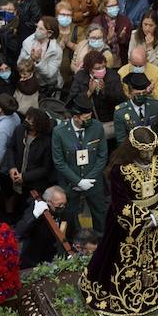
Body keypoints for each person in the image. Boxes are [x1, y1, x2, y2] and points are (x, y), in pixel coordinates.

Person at [79, 126, 158, 316]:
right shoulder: (121, 169)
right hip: (127, 225)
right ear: (134, 150)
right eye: (144, 151)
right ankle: (125, 297)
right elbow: (120, 202)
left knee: (157, 259)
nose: (149, 155)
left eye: (151, 150)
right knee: (118, 260)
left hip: (157, 223)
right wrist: (143, 218)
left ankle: (157, 293)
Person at [51, 97, 109, 231]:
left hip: (94, 182)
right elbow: (59, 162)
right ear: (76, 117)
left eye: (90, 116)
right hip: (71, 184)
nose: (89, 120)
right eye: (86, 118)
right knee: (70, 218)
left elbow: (102, 156)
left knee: (100, 216)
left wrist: (89, 179)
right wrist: (78, 181)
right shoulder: (59, 132)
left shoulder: (97, 127)